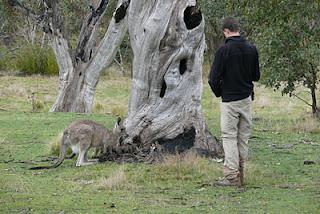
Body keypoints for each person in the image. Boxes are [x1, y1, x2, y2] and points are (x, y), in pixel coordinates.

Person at [208, 17, 260, 187]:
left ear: (226, 31)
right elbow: (256, 76)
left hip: (230, 100)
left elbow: (213, 79)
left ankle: (231, 177)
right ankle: (241, 173)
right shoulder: (252, 49)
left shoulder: (223, 51)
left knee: (229, 137)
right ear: (238, 29)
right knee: (243, 137)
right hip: (246, 99)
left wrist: (219, 93)